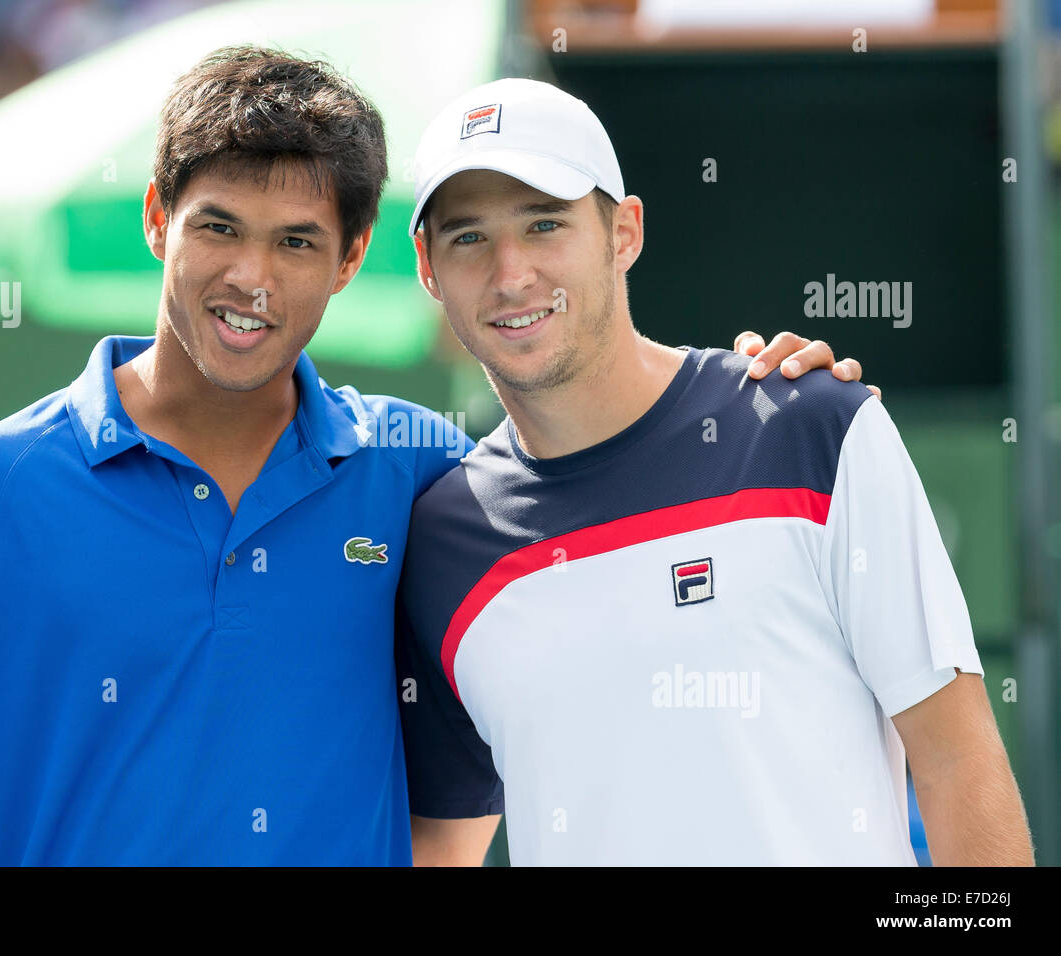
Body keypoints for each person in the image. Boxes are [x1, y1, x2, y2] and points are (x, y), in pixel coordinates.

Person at [0, 47, 869, 867]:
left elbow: (605, 534)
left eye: (297, 241)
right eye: (218, 227)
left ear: (355, 257)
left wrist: (743, 395)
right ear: (156, 220)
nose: (251, 278)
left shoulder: (422, 475)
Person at [396, 77, 1034, 866]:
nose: (511, 272)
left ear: (623, 232)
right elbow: (441, 852)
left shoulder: (811, 425)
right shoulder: (442, 539)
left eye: (545, 223)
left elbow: (957, 762)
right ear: (427, 267)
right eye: (468, 238)